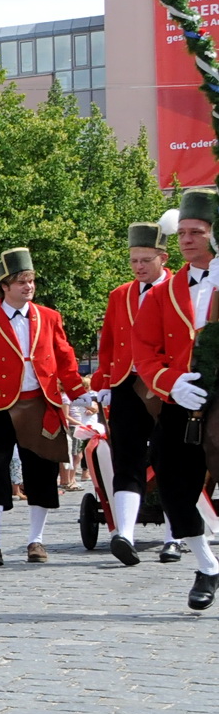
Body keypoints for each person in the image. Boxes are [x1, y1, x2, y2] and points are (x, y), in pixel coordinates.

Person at [0, 248, 88, 567]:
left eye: (31, 280)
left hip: (41, 402)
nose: (28, 286)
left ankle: (36, 541)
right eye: (21, 281)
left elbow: (65, 358)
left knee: (41, 472)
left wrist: (78, 391)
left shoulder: (49, 317)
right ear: (4, 286)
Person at [133, 192, 219, 610]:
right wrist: (170, 383)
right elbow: (145, 349)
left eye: (195, 232)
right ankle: (207, 564)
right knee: (169, 481)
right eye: (181, 232)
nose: (186, 239)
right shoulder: (162, 294)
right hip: (183, 396)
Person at [94, 218, 171, 566]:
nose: (139, 266)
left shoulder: (178, 290)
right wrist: (105, 381)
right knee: (126, 456)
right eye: (134, 260)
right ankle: (125, 533)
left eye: (146, 260)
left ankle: (175, 536)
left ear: (163, 258)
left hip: (168, 385)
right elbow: (108, 343)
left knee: (172, 459)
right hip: (127, 383)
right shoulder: (119, 295)